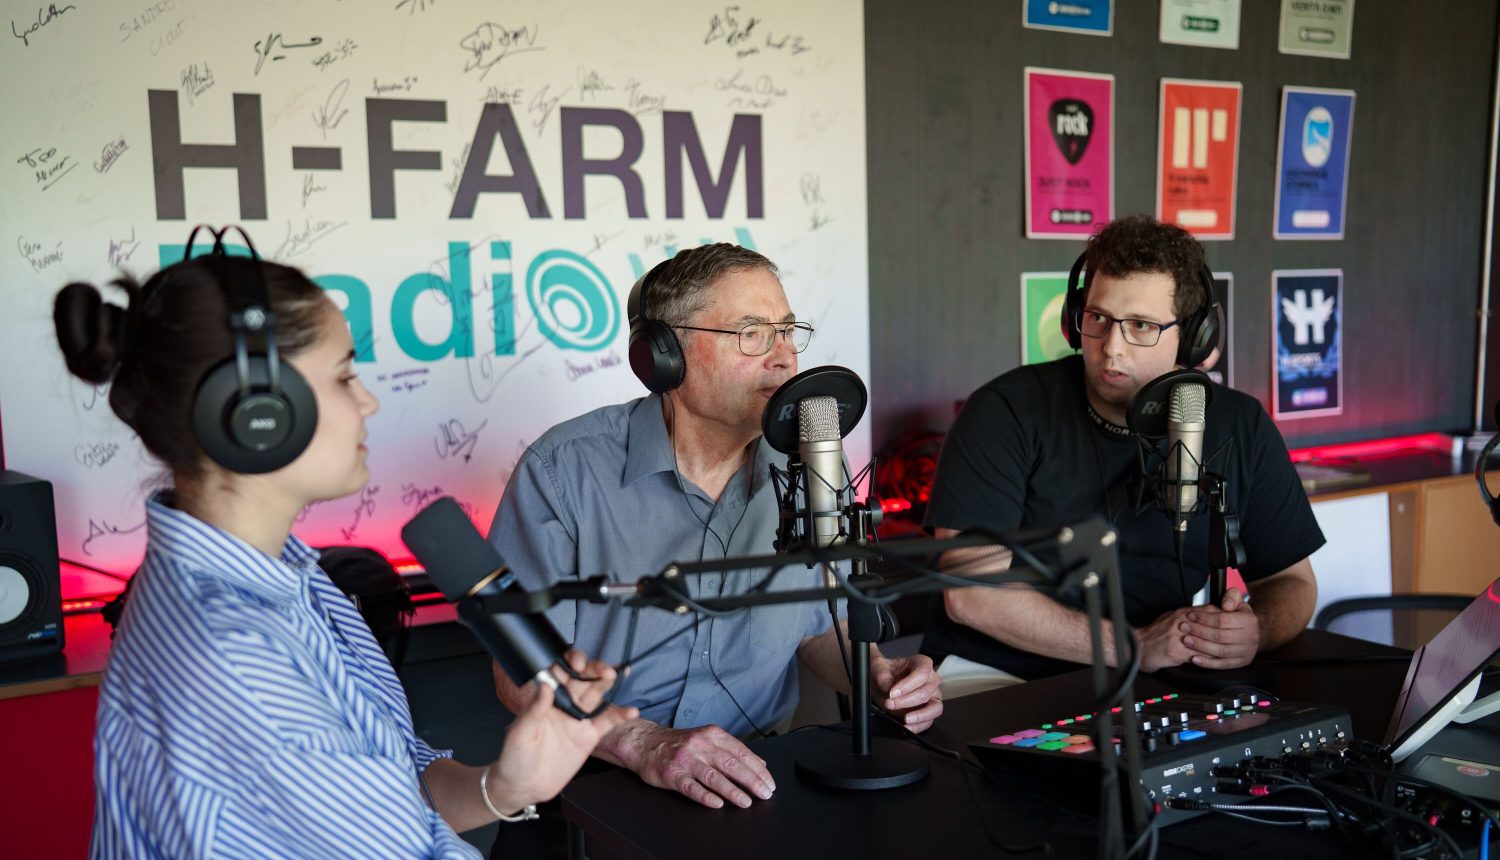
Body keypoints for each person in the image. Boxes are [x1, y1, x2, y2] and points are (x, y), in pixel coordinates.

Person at [58, 235, 633, 859]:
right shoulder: (231, 649)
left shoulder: (290, 577)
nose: (368, 400)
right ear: (257, 412)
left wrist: (504, 786)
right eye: (342, 376)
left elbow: (398, 794)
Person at [486, 243, 942, 841]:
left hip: (758, 781)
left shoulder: (811, 463)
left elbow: (812, 623)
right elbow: (518, 672)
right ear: (664, 358)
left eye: (788, 331)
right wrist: (642, 743)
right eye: (752, 334)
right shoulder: (563, 472)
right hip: (595, 782)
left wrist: (875, 676)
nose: (785, 359)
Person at [922, 215, 1322, 688]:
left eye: (1141, 325)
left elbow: (1292, 583)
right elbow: (972, 595)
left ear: (1194, 337)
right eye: (1099, 319)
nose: (1112, 348)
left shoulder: (1240, 425)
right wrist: (1131, 645)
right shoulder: (1005, 412)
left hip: (1153, 676)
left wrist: (1255, 630)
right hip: (998, 673)